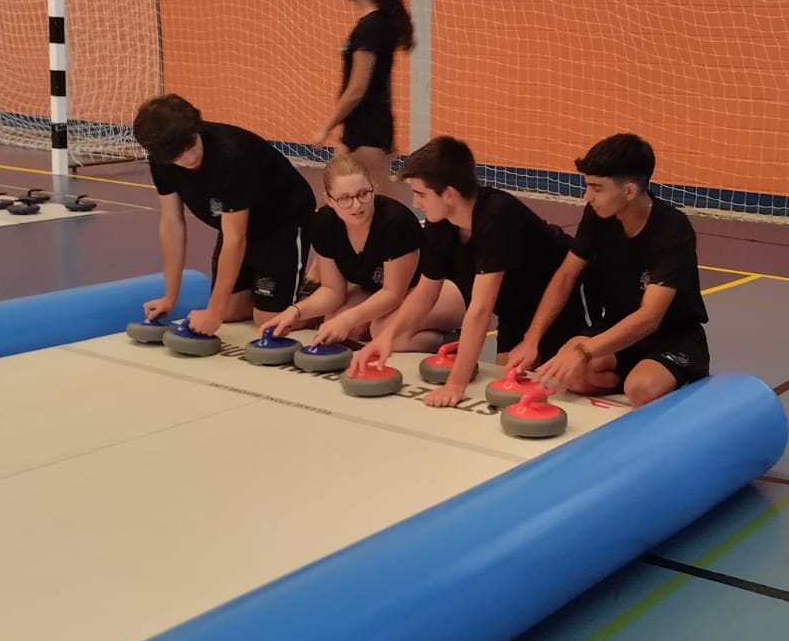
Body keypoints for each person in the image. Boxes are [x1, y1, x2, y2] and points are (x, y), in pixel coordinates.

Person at [351, 136, 589, 408]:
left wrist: (456, 384)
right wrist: (385, 339)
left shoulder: (496, 217)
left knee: (571, 382)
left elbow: (480, 310)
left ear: (449, 194)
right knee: (509, 378)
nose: (415, 203)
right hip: (513, 306)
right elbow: (426, 292)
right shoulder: (440, 222)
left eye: (421, 194)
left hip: (554, 300)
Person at [511, 133, 709, 407]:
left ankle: (675, 382)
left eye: (597, 188)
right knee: (569, 374)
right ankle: (623, 378)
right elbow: (565, 277)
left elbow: (650, 318)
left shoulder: (672, 229)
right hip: (617, 329)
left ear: (629, 191)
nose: (587, 196)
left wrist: (583, 351)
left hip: (672, 336)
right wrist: (531, 340)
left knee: (641, 388)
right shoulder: (597, 216)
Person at [132, 94, 317, 335]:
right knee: (229, 311)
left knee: (268, 321)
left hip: (283, 220)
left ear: (196, 129)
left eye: (190, 146)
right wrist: (170, 296)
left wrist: (213, 311)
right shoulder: (162, 160)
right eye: (177, 156)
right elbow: (171, 223)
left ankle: (325, 301)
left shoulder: (230, 155)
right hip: (239, 222)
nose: (189, 158)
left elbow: (235, 239)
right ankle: (275, 293)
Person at [264, 152, 461, 347]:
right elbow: (332, 291)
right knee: (336, 322)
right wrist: (294, 311)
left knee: (382, 330)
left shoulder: (396, 223)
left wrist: (348, 319)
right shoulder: (324, 223)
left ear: (373, 189)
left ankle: (450, 340)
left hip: (436, 288)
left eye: (363, 194)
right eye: (344, 198)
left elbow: (393, 294)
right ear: (329, 199)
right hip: (379, 290)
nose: (356, 205)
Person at [312, 0, 414, 192]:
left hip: (369, 132)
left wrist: (326, 127)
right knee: (340, 197)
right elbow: (383, 82)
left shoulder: (371, 28)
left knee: (372, 201)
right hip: (360, 129)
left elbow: (357, 89)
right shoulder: (374, 25)